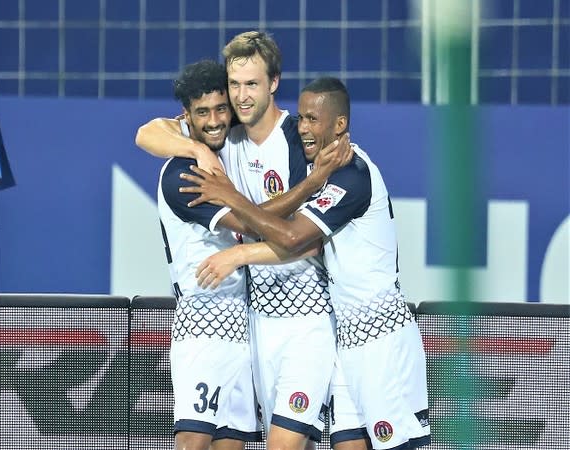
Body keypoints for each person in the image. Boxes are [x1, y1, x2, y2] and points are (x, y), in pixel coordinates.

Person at [180, 77, 432, 450]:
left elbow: (295, 237)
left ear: (340, 125)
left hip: (382, 337)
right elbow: (299, 241)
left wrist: (233, 212)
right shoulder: (327, 177)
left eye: (314, 120)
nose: (304, 129)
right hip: (347, 338)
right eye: (301, 119)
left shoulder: (353, 175)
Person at [136, 31, 353, 450]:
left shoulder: (296, 135)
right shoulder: (208, 149)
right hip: (235, 322)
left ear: (273, 83)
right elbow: (146, 132)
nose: (234, 101)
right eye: (234, 86)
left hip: (304, 315)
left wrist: (240, 252)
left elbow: (306, 238)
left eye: (249, 85)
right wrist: (192, 149)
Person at [154, 59, 264, 450]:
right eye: (203, 113)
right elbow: (251, 225)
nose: (215, 120)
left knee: (233, 443)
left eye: (222, 109)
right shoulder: (182, 174)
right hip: (204, 323)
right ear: (187, 117)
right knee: (193, 442)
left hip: (245, 327)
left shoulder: (232, 152)